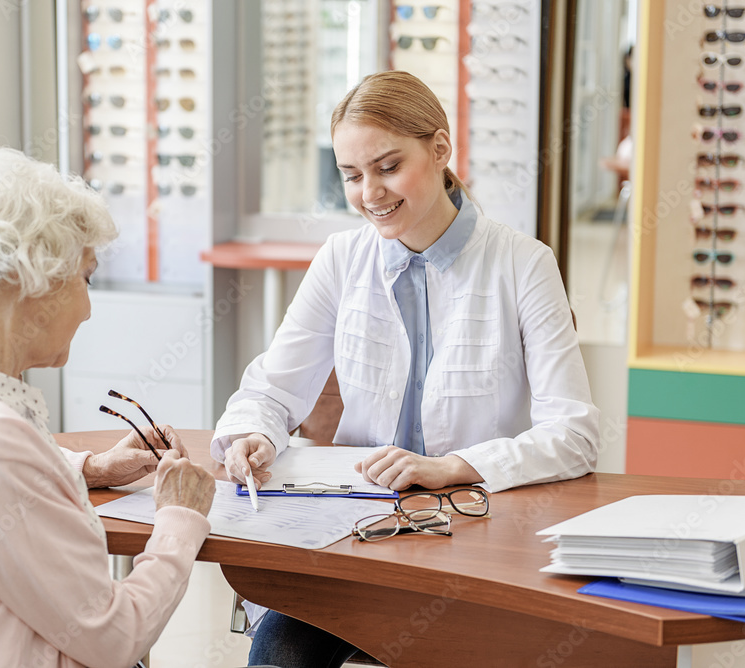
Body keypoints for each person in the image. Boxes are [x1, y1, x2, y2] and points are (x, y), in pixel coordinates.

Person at [210, 71, 601, 667]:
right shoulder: (342, 259)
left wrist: (453, 466)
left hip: (477, 542)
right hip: (352, 541)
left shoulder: (523, 263)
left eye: (388, 167)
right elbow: (270, 389)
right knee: (280, 657)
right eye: (351, 175)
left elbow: (573, 434)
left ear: (440, 149)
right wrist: (253, 435)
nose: (370, 193)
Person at [0, 147, 216, 668]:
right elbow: (115, 638)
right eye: (85, 278)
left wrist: (90, 468)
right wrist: (179, 518)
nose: (88, 309)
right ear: (32, 277)